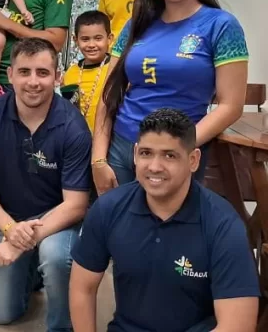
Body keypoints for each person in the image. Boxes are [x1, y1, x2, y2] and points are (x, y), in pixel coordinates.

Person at [70, 108, 260, 332]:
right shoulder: (108, 209)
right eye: (146, 153)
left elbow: (238, 325)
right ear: (135, 154)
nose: (154, 167)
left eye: (169, 155)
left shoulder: (223, 224)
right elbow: (82, 289)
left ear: (193, 160)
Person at [92, 0, 249, 194]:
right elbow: (110, 94)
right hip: (122, 146)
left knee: (167, 232)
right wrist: (98, 159)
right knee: (117, 229)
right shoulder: (136, 25)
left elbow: (231, 106)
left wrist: (178, 147)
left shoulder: (222, 26)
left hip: (179, 152)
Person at [0, 38, 91, 328]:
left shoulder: (73, 127)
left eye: (43, 73)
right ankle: (32, 270)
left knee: (56, 257)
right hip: (11, 218)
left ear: (57, 77)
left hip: (57, 219)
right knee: (3, 314)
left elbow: (76, 204)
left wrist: (24, 242)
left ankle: (61, 325)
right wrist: (10, 230)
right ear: (10, 74)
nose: (33, 82)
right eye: (24, 72)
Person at [60, 11, 113, 132]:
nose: (91, 44)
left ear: (109, 39)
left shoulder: (116, 69)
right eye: (85, 39)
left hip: (110, 137)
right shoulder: (71, 73)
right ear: (75, 40)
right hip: (78, 137)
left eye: (98, 38)